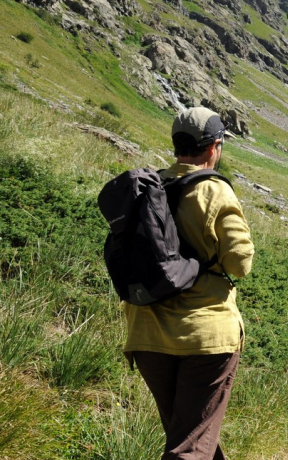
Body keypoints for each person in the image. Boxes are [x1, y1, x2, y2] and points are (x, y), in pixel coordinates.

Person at [124, 107, 254, 459]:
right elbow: (240, 264)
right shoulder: (214, 191)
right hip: (205, 337)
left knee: (190, 435)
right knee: (190, 447)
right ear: (213, 148)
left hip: (147, 335)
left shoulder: (150, 187)